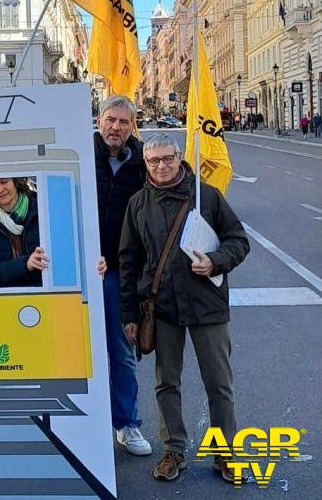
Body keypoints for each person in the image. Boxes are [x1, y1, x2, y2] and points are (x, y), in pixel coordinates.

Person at [119, 133, 249, 484]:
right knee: (166, 383)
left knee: (219, 384)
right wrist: (129, 315)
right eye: (153, 160)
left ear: (179, 157)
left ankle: (226, 454)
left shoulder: (206, 196)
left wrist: (216, 261)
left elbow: (239, 239)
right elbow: (129, 261)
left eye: (167, 158)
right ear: (145, 163)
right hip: (162, 308)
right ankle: (173, 451)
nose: (161, 166)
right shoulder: (138, 204)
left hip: (207, 305)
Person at [92, 96, 152, 456]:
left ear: (132, 126)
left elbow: (174, 180)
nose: (116, 127)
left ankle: (126, 424)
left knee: (122, 352)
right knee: (76, 349)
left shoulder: (143, 161)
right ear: (99, 120)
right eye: (110, 119)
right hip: (79, 268)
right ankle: (83, 421)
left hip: (121, 271)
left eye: (124, 122)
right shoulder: (78, 150)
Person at [0, 177, 49, 287]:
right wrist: (25, 265)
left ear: (16, 181)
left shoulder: (43, 205)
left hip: (47, 293)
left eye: (4, 181)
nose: (0, 189)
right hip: (8, 298)